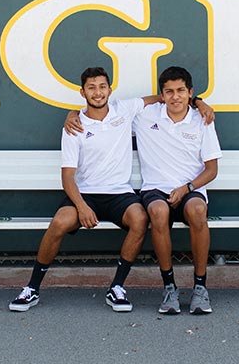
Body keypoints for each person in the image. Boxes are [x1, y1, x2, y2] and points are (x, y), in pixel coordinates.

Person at [10, 67, 169, 313]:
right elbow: (68, 178)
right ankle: (32, 288)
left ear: (110, 89)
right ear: (82, 92)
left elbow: (163, 97)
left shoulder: (124, 110)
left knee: (140, 219)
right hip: (85, 195)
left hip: (119, 194)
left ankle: (117, 287)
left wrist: (199, 103)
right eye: (92, 88)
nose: (98, 92)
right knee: (60, 222)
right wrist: (82, 207)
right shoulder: (74, 126)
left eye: (102, 86)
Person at [134, 66, 220, 315]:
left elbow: (212, 169)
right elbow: (106, 111)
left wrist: (187, 188)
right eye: (169, 92)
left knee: (197, 210)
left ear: (190, 93)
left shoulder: (202, 120)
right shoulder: (146, 116)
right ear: (161, 95)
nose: (175, 97)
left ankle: (200, 288)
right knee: (158, 212)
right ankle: (169, 287)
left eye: (181, 91)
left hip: (190, 188)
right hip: (155, 189)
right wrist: (73, 113)